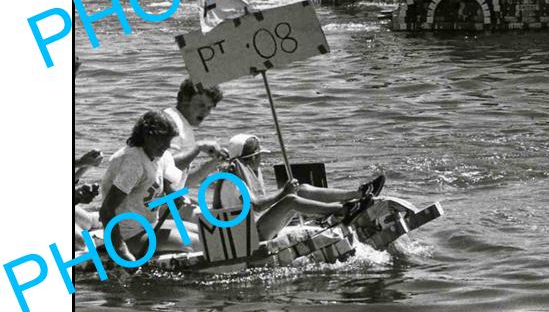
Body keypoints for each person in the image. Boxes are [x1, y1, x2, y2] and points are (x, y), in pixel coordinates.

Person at [97, 111, 224, 261]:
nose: (167, 146)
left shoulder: (159, 155)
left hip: (150, 225)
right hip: (128, 235)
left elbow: (167, 186)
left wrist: (174, 197)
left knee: (208, 234)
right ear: (147, 136)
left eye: (169, 140)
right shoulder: (132, 162)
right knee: (197, 244)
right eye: (163, 140)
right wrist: (120, 251)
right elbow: (106, 210)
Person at [211, 134, 383, 240]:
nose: (260, 160)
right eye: (259, 156)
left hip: (256, 226)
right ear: (252, 158)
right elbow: (257, 205)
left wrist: (285, 192)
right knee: (291, 200)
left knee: (301, 189)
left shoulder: (240, 173)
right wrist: (283, 193)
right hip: (250, 236)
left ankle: (358, 194)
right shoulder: (233, 180)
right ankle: (344, 210)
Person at [164, 80, 225, 179]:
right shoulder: (171, 122)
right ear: (184, 99)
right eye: (201, 105)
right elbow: (164, 168)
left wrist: (214, 162)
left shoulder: (183, 124)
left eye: (209, 107)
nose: (205, 112)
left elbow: (184, 181)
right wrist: (198, 147)